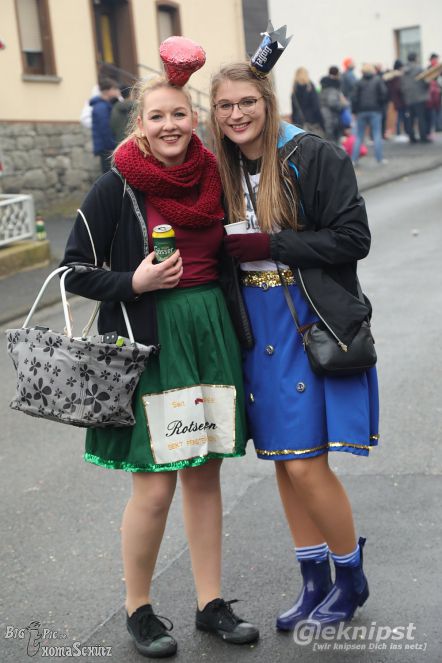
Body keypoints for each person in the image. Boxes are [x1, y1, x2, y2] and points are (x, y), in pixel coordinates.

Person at [61, 74, 259, 658]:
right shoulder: (117, 186)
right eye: (157, 117)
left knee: (204, 476)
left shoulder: (216, 177)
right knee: (153, 487)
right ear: (141, 127)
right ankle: (138, 608)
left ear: (194, 120)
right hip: (153, 341)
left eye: (178, 114)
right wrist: (134, 282)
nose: (169, 125)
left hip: (211, 337)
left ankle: (210, 603)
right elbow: (73, 270)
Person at [210, 61, 379, 631]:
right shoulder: (222, 166)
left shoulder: (315, 154)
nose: (237, 114)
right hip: (253, 326)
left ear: (267, 101)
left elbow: (354, 238)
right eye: (225, 105)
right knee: (284, 461)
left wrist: (274, 244)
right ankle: (314, 580)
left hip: (305, 318)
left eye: (247, 102)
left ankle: (350, 578)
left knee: (306, 465)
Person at [351, 63, 388, 165]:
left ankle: (354, 159)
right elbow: (384, 94)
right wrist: (381, 105)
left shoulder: (358, 82)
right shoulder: (378, 80)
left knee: (359, 136)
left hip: (361, 111)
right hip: (375, 110)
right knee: (377, 134)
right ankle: (379, 159)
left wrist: (354, 111)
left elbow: (354, 98)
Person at [90, 77, 121, 173]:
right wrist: (111, 147)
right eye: (114, 89)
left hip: (108, 147)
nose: (117, 91)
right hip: (107, 149)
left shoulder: (106, 105)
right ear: (107, 91)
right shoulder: (101, 107)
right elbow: (105, 130)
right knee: (110, 174)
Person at [400, 52, 430, 143]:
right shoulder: (419, 69)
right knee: (421, 118)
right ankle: (423, 137)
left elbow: (401, 84)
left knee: (410, 118)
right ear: (415, 58)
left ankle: (411, 137)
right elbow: (426, 81)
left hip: (408, 98)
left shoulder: (403, 71)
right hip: (420, 97)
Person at [291, 67, 324, 135]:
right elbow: (316, 106)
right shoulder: (310, 87)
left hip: (299, 123)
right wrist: (322, 123)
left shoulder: (294, 90)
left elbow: (294, 110)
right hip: (312, 122)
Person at [319, 66, 346, 143]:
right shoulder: (333, 88)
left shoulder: (323, 86)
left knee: (328, 138)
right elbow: (332, 103)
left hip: (325, 115)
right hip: (331, 117)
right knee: (332, 140)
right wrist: (343, 105)